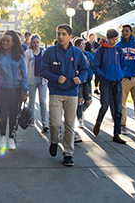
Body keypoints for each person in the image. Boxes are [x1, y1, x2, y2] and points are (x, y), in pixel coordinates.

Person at [41, 24, 88, 166]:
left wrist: (80, 79)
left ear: (70, 36)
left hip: (72, 92)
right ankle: (54, 140)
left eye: (63, 34)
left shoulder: (78, 53)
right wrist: (55, 77)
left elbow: (85, 69)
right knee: (55, 123)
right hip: (55, 91)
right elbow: (43, 70)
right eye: (58, 34)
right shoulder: (49, 52)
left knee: (69, 124)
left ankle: (68, 153)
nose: (60, 37)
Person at [0, 30, 29, 150]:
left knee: (13, 115)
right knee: (3, 114)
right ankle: (2, 138)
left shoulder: (18, 56)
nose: (5, 43)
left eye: (8, 41)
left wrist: (25, 91)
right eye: (4, 40)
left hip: (16, 89)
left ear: (13, 43)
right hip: (2, 89)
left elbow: (24, 74)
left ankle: (11, 138)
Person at [92, 29, 127, 144]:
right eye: (112, 39)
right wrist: (103, 76)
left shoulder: (118, 49)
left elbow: (124, 65)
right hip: (105, 83)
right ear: (107, 38)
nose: (114, 41)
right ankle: (98, 123)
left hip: (117, 82)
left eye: (116, 39)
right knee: (105, 106)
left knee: (118, 109)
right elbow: (96, 66)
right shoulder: (101, 51)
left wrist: (121, 74)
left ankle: (117, 133)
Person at [24, 34, 49, 132]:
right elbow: (25, 66)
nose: (36, 44)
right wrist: (25, 80)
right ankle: (32, 119)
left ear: (39, 42)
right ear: (31, 42)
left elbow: (47, 65)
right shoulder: (28, 53)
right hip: (32, 79)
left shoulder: (43, 52)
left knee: (43, 101)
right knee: (32, 100)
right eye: (34, 42)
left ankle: (44, 122)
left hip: (42, 79)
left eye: (37, 42)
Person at [73, 38, 93, 129]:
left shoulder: (88, 55)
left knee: (88, 100)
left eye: (84, 44)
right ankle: (80, 119)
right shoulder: (74, 54)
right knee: (80, 99)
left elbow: (93, 64)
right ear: (77, 45)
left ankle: (80, 112)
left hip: (87, 81)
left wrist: (92, 73)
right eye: (82, 44)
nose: (84, 46)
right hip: (79, 82)